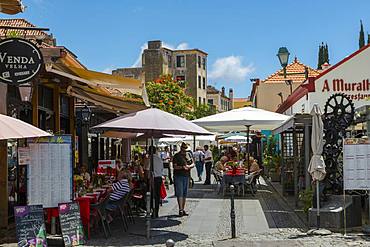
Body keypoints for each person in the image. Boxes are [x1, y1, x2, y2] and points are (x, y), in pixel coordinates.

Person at [173, 142, 194, 216]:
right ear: (181, 148)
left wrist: (189, 166)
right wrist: (182, 167)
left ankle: (183, 209)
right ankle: (180, 209)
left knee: (185, 193)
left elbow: (193, 163)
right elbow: (175, 167)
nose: (185, 151)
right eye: (184, 149)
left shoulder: (189, 154)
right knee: (180, 192)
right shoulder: (176, 156)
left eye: (186, 149)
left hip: (187, 176)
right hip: (178, 176)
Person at [149, 146, 164, 218]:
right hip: (159, 178)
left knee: (152, 196)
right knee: (157, 196)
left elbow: (146, 170)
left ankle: (153, 211)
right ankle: (156, 212)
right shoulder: (159, 159)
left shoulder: (150, 159)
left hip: (153, 179)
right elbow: (161, 169)